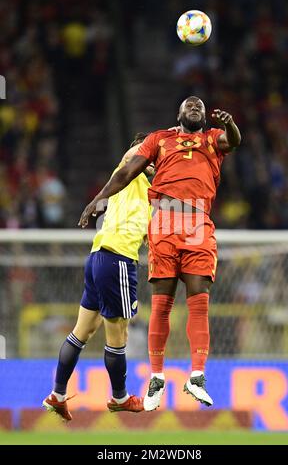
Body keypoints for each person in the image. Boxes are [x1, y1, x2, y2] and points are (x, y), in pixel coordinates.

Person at [79, 96, 241, 411]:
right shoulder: (159, 139)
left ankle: (197, 376)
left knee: (199, 301)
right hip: (164, 223)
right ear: (178, 113)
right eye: (189, 105)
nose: (195, 107)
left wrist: (231, 124)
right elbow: (126, 172)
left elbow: (233, 141)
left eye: (200, 107)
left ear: (206, 118)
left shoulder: (212, 140)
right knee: (161, 305)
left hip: (197, 223)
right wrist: (98, 199)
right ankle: (156, 378)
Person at [43, 132, 153, 420]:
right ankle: (120, 397)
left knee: (82, 332)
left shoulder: (141, 186)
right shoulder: (131, 165)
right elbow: (138, 152)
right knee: (118, 335)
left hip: (98, 257)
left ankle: (57, 394)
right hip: (116, 258)